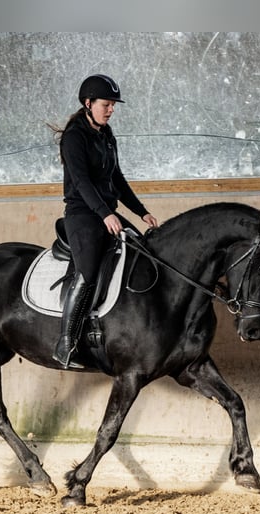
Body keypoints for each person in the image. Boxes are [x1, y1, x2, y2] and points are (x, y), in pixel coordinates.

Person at [51, 73, 158, 369]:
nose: (111, 110)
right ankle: (66, 342)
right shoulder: (74, 137)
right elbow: (82, 182)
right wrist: (105, 213)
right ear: (88, 103)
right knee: (86, 273)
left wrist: (140, 211)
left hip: (106, 211)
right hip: (83, 214)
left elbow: (117, 178)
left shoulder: (106, 134)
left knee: (143, 248)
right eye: (106, 104)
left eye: (113, 105)